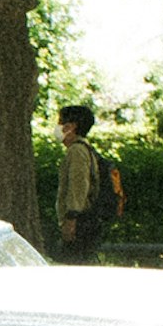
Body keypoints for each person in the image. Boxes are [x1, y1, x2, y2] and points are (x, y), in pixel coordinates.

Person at [54, 104, 108, 261]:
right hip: (85, 220)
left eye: (61, 123)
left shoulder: (77, 151)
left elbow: (78, 186)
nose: (58, 127)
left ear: (71, 127)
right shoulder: (85, 149)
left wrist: (71, 220)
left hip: (80, 222)